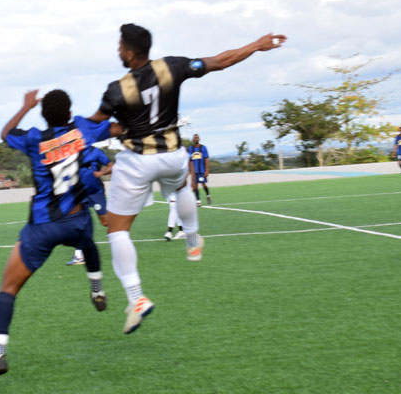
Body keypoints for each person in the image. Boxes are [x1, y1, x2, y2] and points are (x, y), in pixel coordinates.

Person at [87, 23, 286, 334]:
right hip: (172, 155)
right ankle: (192, 240)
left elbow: (94, 126)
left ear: (127, 51)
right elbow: (221, 61)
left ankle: (136, 298)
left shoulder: (116, 90)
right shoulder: (173, 65)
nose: (118, 51)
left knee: (117, 230)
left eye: (119, 46)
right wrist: (256, 44)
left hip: (137, 162)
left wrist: (65, 129)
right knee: (180, 185)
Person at [0, 89, 122, 383]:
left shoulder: (33, 139)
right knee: (88, 244)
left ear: (43, 115)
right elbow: (119, 128)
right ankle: (97, 290)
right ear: (70, 113)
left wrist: (25, 106)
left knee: (8, 289)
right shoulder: (82, 130)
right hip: (77, 220)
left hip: (41, 227)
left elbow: (5, 133)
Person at [67, 146, 114, 265]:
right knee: (78, 222)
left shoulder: (95, 151)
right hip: (78, 192)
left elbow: (112, 166)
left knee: (106, 222)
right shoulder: (69, 151)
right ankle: (79, 256)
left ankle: (120, 241)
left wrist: (101, 173)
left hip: (95, 191)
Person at [188, 133, 211, 205]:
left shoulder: (203, 148)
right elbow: (189, 160)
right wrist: (190, 170)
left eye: (197, 137)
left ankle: (208, 195)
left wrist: (207, 170)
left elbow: (206, 159)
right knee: (195, 186)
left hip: (201, 170)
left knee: (203, 184)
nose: (196, 139)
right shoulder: (191, 148)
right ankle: (198, 201)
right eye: (194, 138)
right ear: (193, 140)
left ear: (199, 139)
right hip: (194, 171)